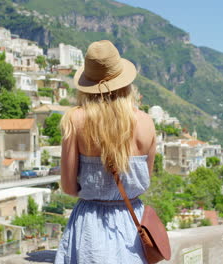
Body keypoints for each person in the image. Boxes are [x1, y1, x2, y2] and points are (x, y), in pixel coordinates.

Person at [54, 40, 156, 264]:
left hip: (90, 228)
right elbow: (144, 182)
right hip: (134, 227)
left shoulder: (75, 120)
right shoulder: (146, 122)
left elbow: (70, 188)